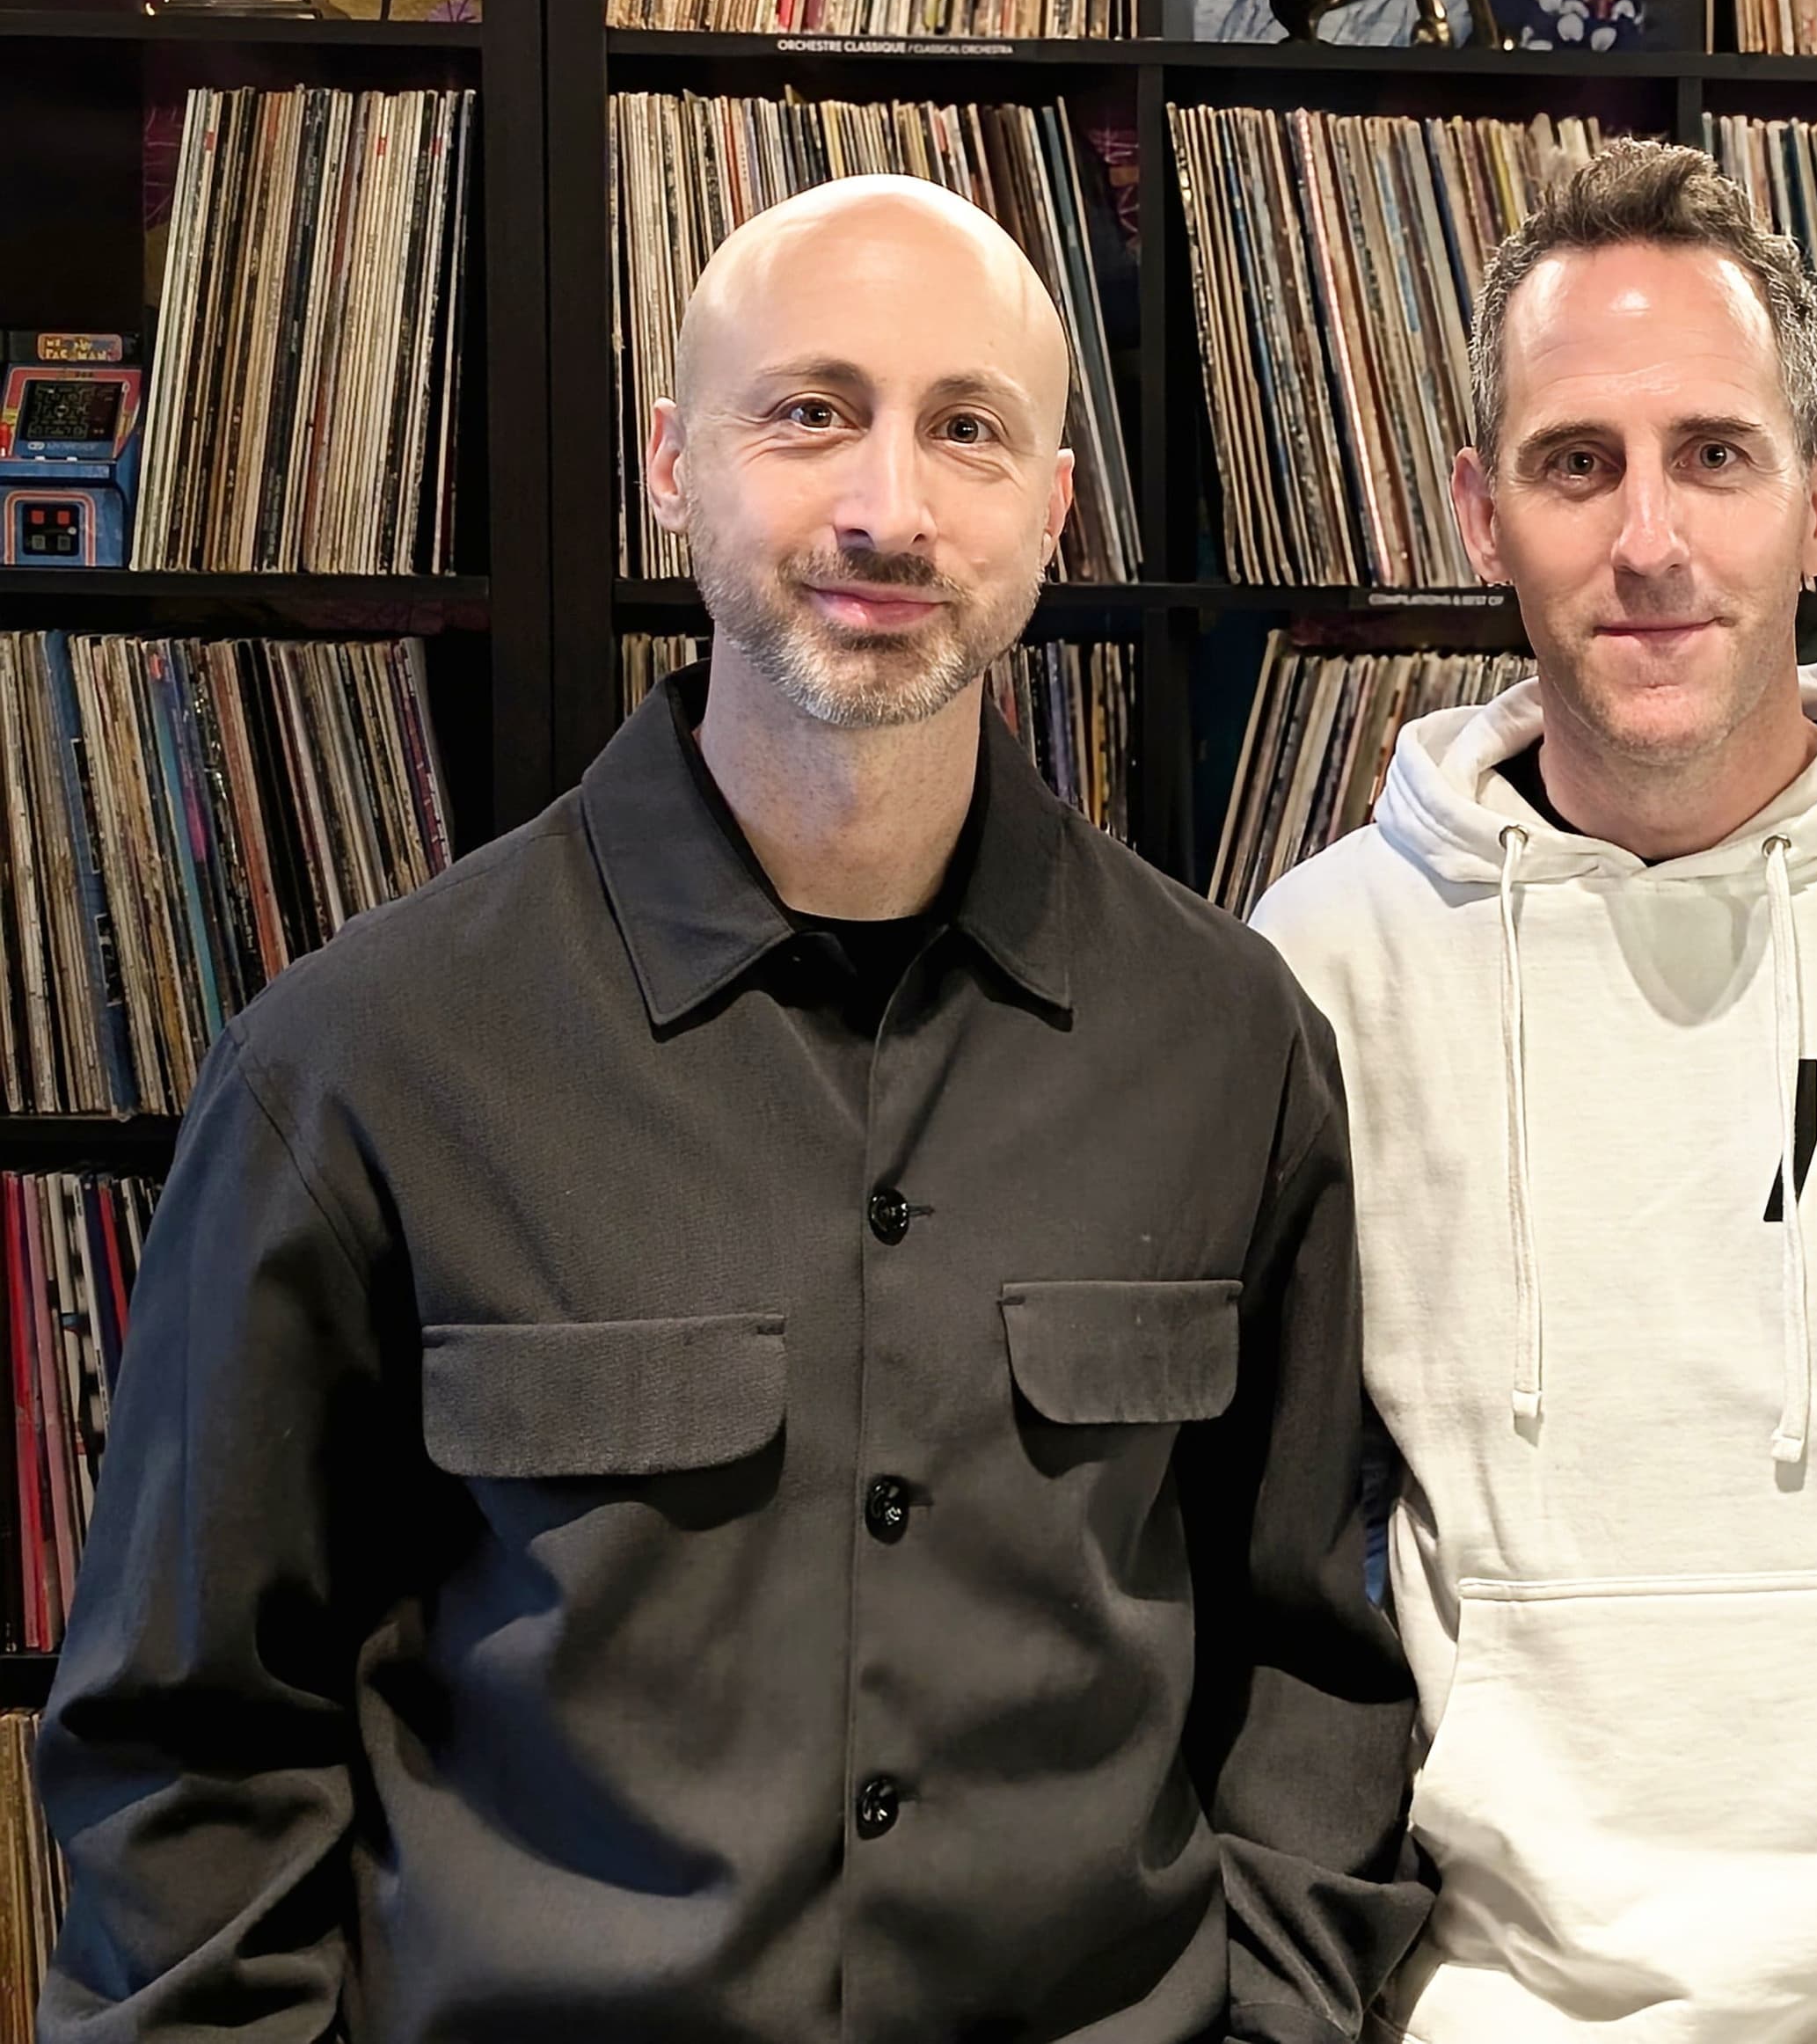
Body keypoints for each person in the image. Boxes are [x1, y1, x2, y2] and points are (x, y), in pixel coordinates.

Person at [38, 175, 1428, 2042]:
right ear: (673, 465)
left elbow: (1312, 1665)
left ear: (1052, 512)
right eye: (809, 413)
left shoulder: (1229, 1044)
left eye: (967, 430)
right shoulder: (361, 1065)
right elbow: (193, 1753)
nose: (887, 506)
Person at [1251, 139, 1817, 2042]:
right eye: (1575, 462)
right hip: (1476, 2011)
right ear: (1479, 512)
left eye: (1717, 456)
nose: (1649, 537)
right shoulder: (1326, 963)